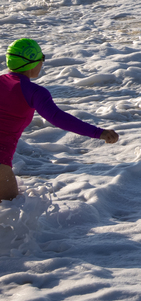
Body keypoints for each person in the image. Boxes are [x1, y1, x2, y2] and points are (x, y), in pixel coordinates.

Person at [2, 39, 120, 201]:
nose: (43, 63)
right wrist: (99, 133)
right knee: (12, 212)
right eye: (42, 58)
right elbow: (58, 118)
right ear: (32, 61)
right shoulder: (34, 92)